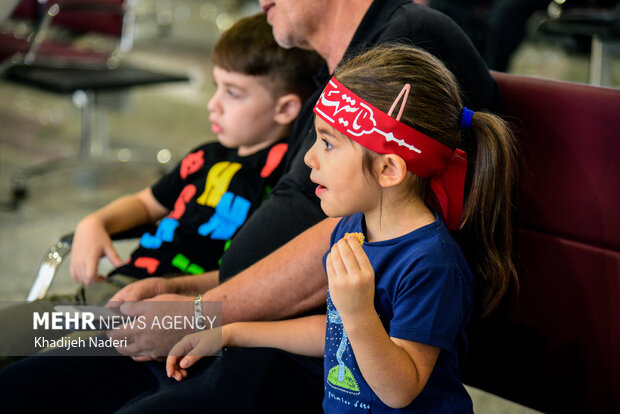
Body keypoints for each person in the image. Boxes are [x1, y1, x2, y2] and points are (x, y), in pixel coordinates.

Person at [0, 1, 504, 412]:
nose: (309, 158)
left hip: (228, 334)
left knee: (25, 362)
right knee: (19, 356)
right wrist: (189, 298)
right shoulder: (270, 154)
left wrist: (198, 315)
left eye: (234, 92)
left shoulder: (404, 47)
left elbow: (343, 299)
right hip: (179, 303)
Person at [166, 44, 517, 413]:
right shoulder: (352, 228)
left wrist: (358, 312)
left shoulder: (431, 265)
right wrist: (233, 332)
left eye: (329, 144)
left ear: (389, 170)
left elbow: (401, 389)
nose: (309, 157)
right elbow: (337, 334)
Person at [0, 12, 322, 365]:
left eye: (233, 93)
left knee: (36, 370)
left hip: (171, 313)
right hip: (108, 292)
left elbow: (259, 275)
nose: (213, 103)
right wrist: (96, 222)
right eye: (216, 87)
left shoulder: (285, 179)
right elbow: (145, 203)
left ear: (286, 108)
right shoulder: (204, 156)